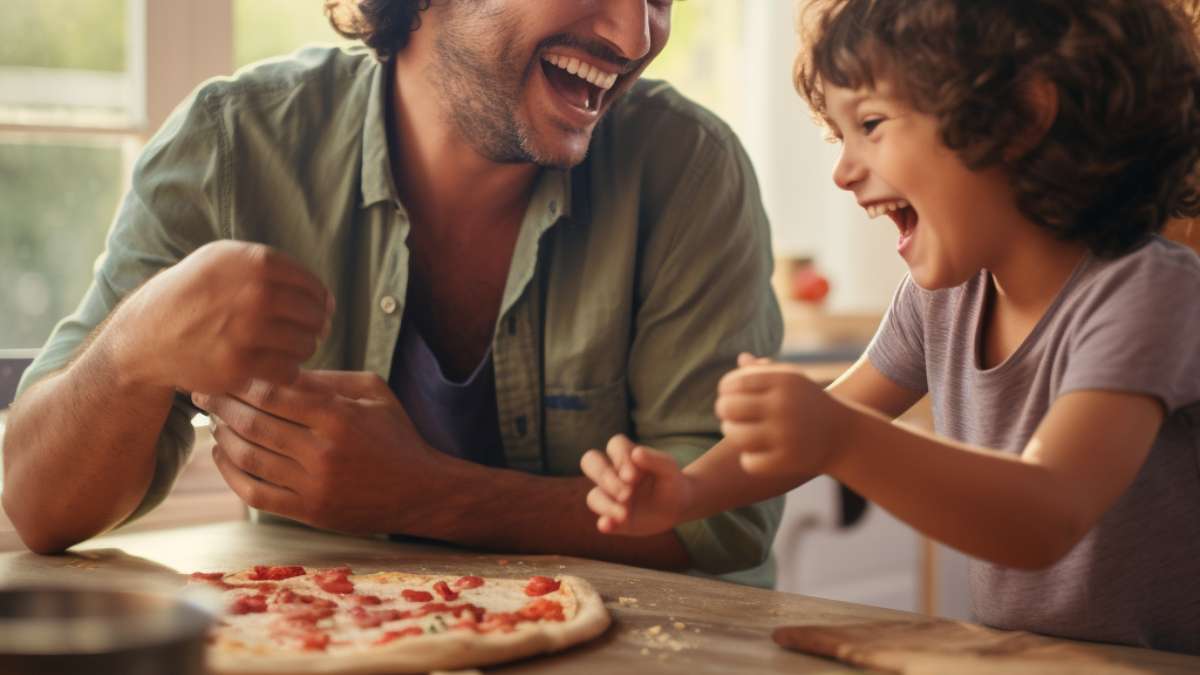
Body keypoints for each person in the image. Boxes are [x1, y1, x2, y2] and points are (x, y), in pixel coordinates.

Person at [0, 0, 784, 586]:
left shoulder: (688, 168)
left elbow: (725, 512)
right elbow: (38, 508)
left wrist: (425, 496)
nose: (635, 34)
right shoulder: (234, 146)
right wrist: (134, 346)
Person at [581, 0, 1200, 654]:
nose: (843, 172)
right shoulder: (943, 300)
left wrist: (842, 439)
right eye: (839, 136)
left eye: (871, 124)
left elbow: (1050, 514)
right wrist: (687, 492)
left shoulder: (1150, 292)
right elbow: (823, 415)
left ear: (1020, 117)